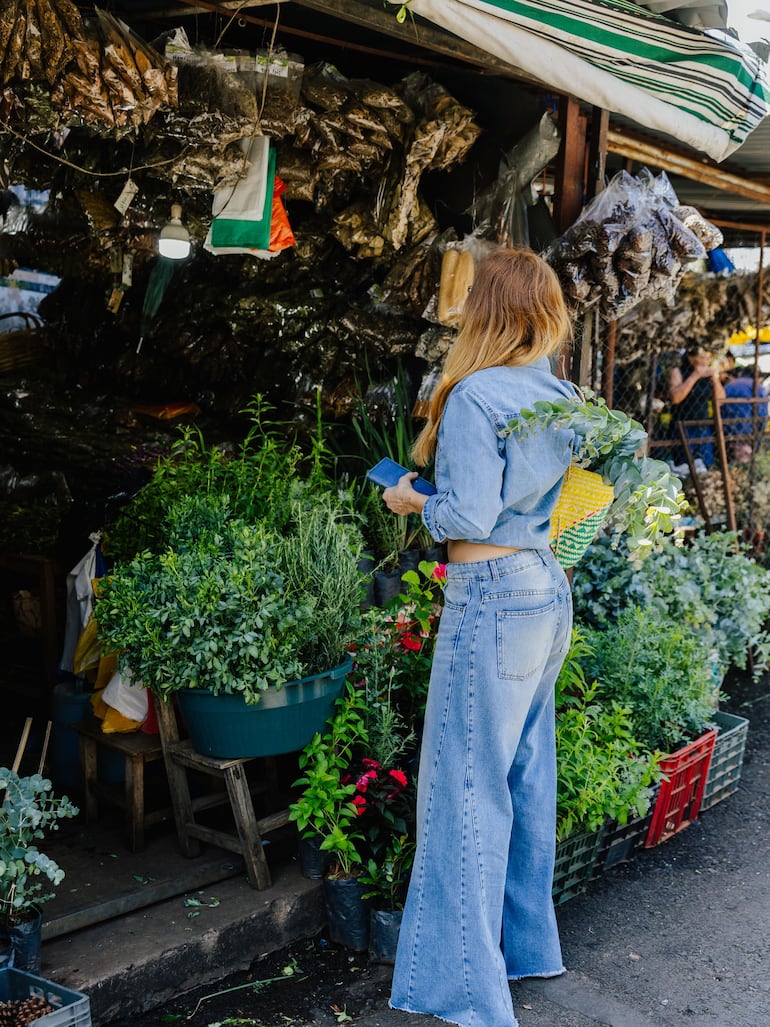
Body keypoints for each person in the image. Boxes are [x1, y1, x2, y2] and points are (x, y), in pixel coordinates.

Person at [382, 247, 576, 1027]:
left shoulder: (474, 396)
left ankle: (469, 990)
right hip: (544, 585)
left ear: (485, 310)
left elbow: (464, 515)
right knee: (527, 777)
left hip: (490, 594)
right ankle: (524, 948)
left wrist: (409, 501)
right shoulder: (558, 393)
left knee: (467, 784)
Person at [668, 346, 725, 469]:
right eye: (702, 358)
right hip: (683, 423)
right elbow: (676, 398)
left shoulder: (708, 376)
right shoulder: (679, 371)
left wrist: (714, 379)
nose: (705, 362)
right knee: (685, 465)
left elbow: (720, 400)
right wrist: (695, 375)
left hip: (702, 424)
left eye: (708, 358)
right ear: (691, 358)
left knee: (705, 464)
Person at [722, 364, 769, 463]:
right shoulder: (758, 388)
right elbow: (762, 415)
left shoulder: (729, 385)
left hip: (725, 429)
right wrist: (759, 436)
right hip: (747, 429)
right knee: (744, 462)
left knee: (728, 458)